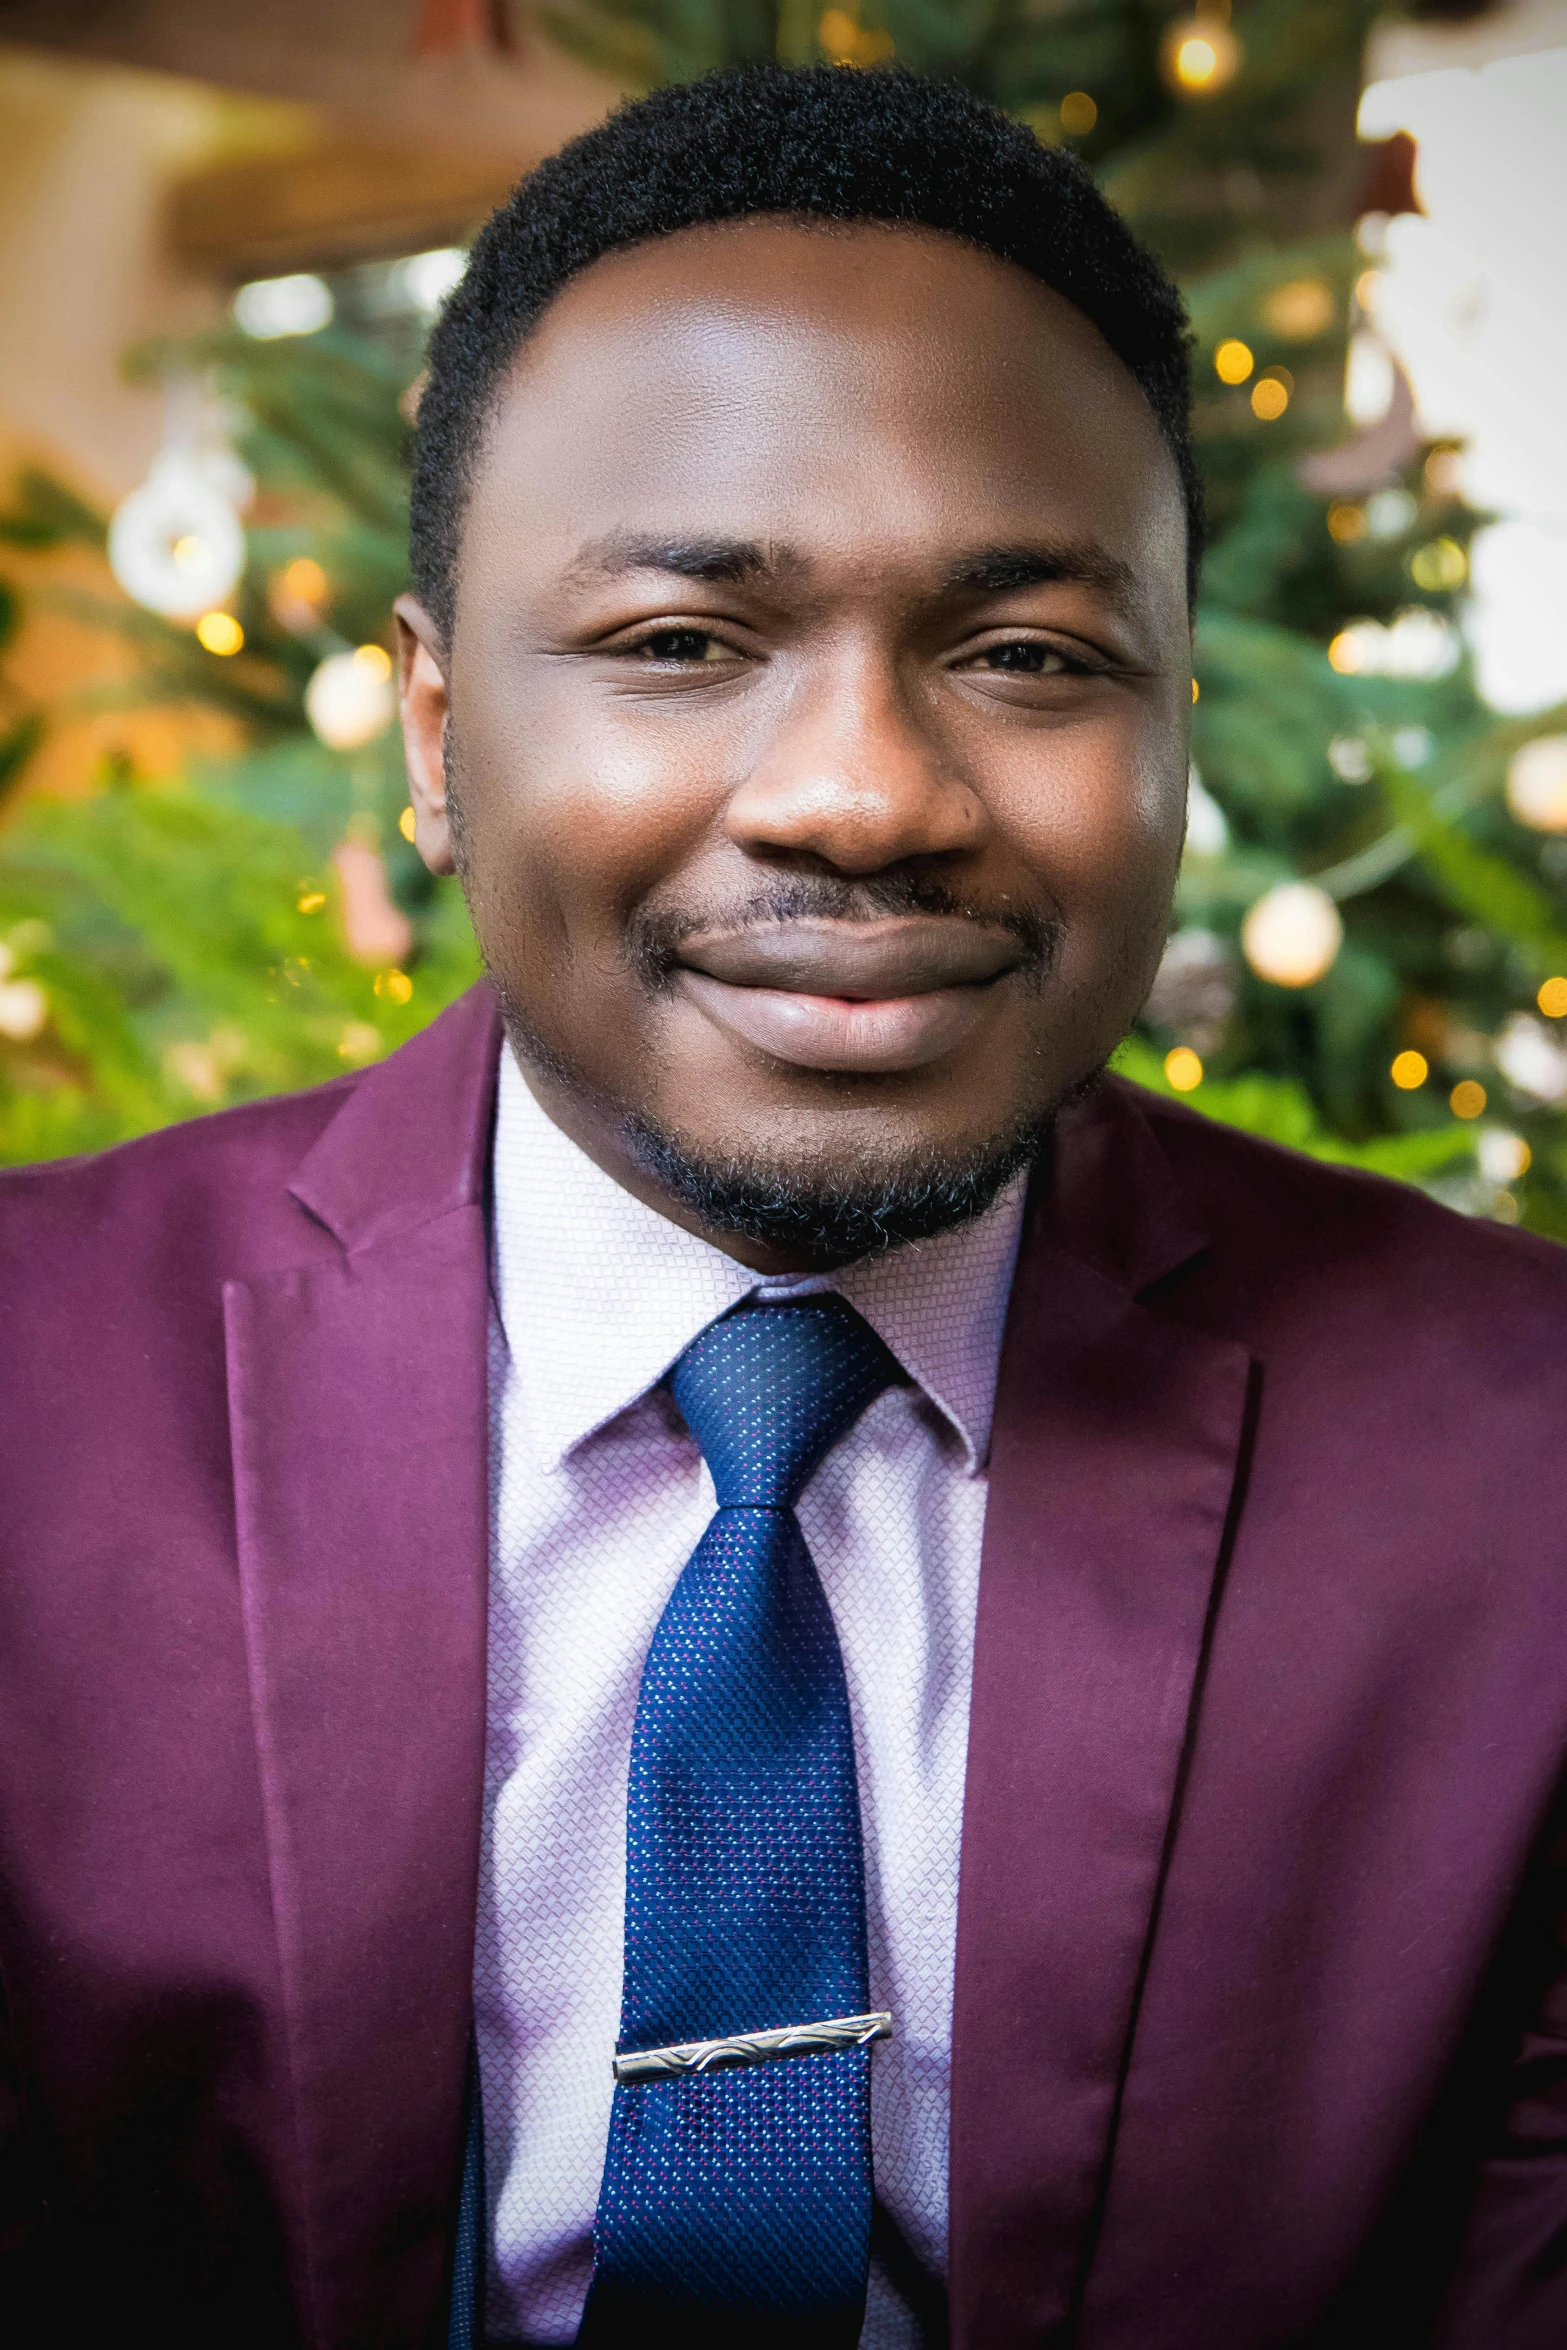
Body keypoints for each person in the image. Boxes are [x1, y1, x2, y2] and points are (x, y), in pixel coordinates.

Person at [3, 61, 1567, 2350]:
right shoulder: (31, 1390)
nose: (861, 795)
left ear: (1175, 736)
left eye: (1028, 652)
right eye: (680, 641)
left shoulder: (1521, 1465)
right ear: (435, 733)